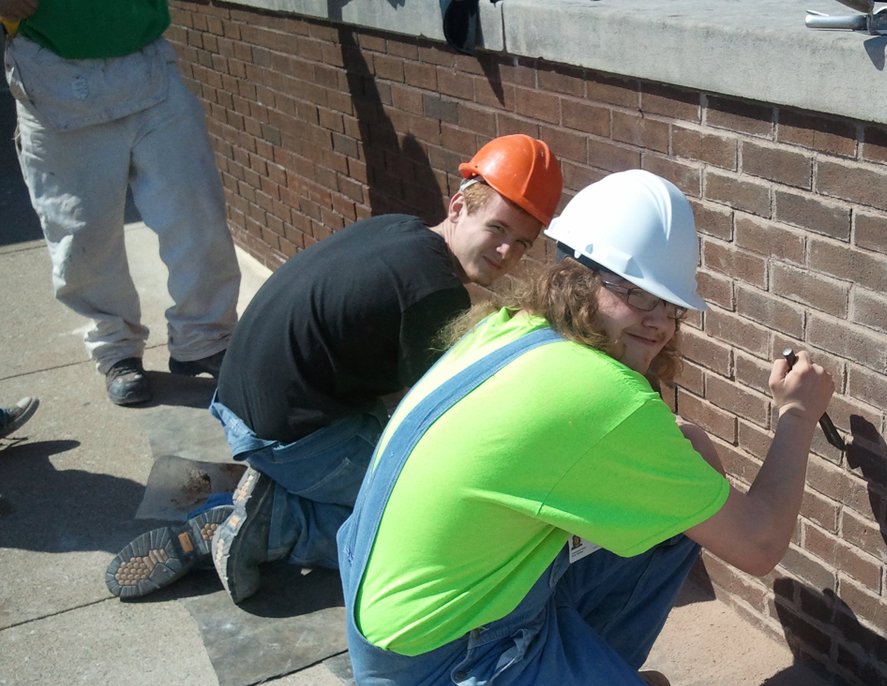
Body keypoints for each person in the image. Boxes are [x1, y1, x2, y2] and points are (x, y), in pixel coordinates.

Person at [339, 169, 834, 686]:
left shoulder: (515, 330)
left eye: (668, 304)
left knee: (677, 518)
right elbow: (758, 546)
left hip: (424, 617)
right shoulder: (601, 397)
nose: (658, 320)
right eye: (633, 293)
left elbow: (670, 458)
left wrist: (687, 455)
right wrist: (797, 417)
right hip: (446, 673)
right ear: (575, 276)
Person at [104, 135, 563, 601]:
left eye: (522, 244)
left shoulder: (401, 232)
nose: (507, 254)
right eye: (498, 230)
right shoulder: (431, 292)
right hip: (283, 434)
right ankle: (277, 524)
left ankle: (289, 491)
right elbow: (441, 421)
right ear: (460, 206)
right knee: (434, 523)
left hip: (244, 399)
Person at [2, 0, 240, 406]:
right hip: (51, 74)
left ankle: (205, 339)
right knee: (83, 237)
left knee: (196, 214)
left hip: (145, 61)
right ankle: (116, 349)